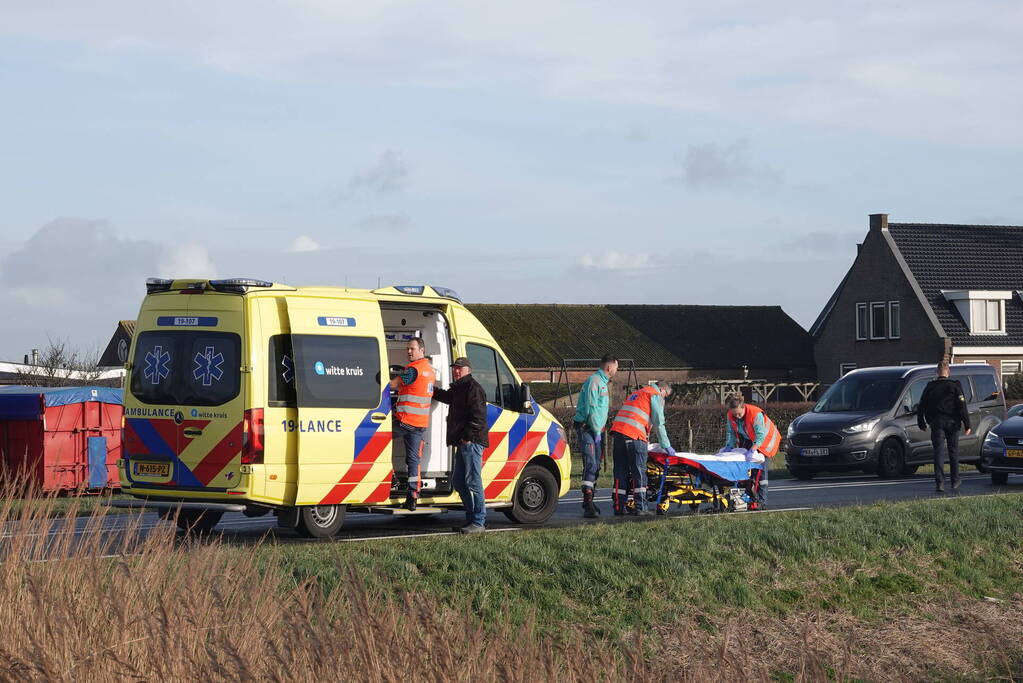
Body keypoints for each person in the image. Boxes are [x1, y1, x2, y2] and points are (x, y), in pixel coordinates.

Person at [432, 356, 489, 533]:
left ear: (468, 370)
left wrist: (467, 437)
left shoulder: (473, 388)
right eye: (455, 368)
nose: (456, 371)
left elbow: (478, 417)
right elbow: (447, 397)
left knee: (473, 481)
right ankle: (471, 519)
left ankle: (478, 522)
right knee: (459, 481)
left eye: (460, 368)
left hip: (471, 442)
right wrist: (430, 389)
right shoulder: (460, 388)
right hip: (464, 442)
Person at [608, 381, 672, 516]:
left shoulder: (637, 393)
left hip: (618, 435)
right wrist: (666, 446)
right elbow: (659, 423)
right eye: (665, 395)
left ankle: (618, 507)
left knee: (620, 472)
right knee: (639, 473)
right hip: (635, 436)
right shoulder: (654, 395)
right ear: (661, 389)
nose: (664, 399)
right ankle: (641, 507)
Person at [388, 338, 436, 511]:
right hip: (420, 423)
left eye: (412, 349)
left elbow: (392, 385)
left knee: (379, 442)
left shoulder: (412, 370)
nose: (409, 352)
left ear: (421, 350)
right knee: (413, 460)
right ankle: (413, 497)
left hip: (405, 421)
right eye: (408, 349)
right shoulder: (430, 371)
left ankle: (391, 478)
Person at [573, 354, 619, 518]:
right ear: (609, 367)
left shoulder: (602, 383)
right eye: (616, 367)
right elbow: (591, 408)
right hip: (588, 428)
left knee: (596, 465)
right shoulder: (595, 382)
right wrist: (595, 429)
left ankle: (590, 501)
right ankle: (587, 504)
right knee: (591, 463)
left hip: (595, 430)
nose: (616, 371)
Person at [917, 361, 971, 495]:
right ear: (948, 372)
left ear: (937, 372)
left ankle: (940, 482)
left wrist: (921, 423)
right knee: (953, 451)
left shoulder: (930, 387)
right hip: (953, 423)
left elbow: (921, 406)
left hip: (937, 423)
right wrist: (967, 424)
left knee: (938, 453)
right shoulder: (954, 386)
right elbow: (962, 407)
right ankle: (955, 480)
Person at [722, 393, 781, 510]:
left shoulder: (755, 414)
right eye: (735, 414)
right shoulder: (731, 415)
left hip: (765, 442)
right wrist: (729, 445)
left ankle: (762, 501)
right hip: (749, 439)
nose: (737, 417)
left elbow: (760, 435)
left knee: (760, 473)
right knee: (746, 472)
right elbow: (731, 432)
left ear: (744, 408)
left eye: (739, 414)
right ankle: (748, 499)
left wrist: (753, 450)